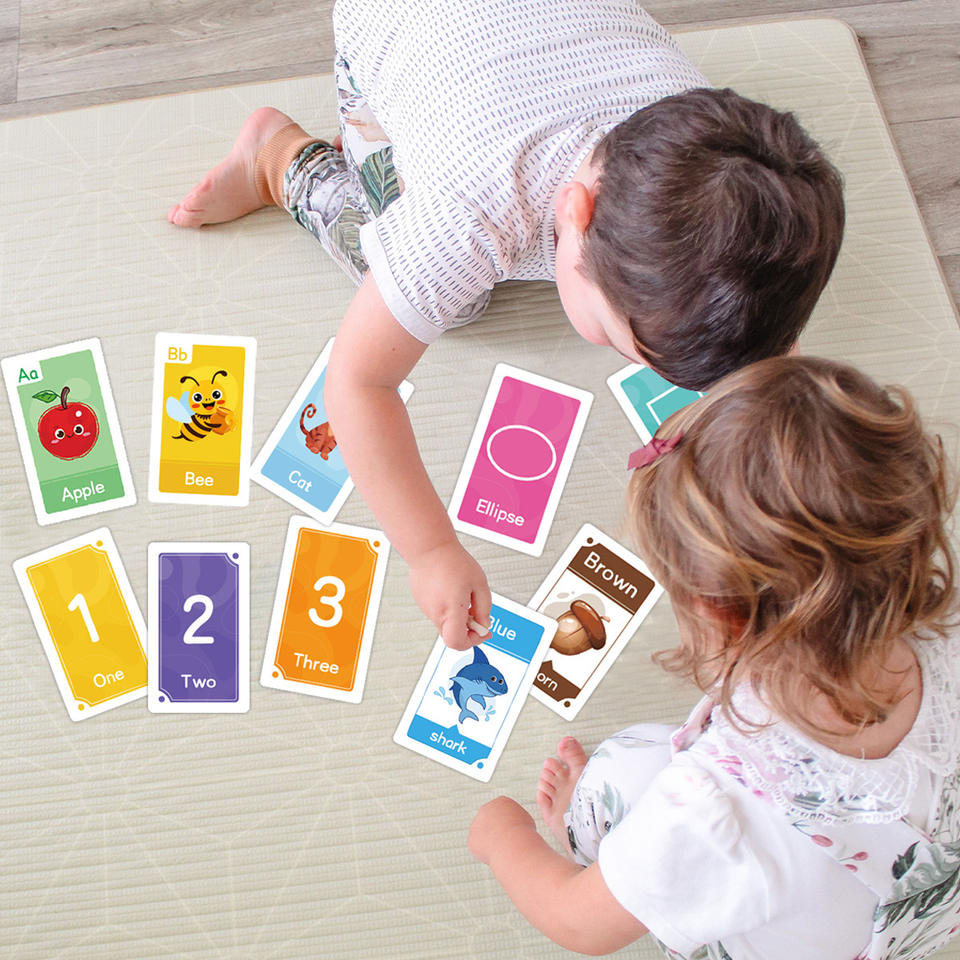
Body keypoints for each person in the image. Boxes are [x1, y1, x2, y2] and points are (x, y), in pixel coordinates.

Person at [168, 0, 845, 650]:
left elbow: (756, 304)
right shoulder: (471, 216)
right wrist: (431, 551)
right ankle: (278, 160)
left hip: (515, 46)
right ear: (575, 214)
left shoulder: (710, 133)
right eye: (618, 341)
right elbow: (357, 384)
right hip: (386, 31)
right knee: (453, 305)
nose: (639, 367)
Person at [469, 356, 960, 960]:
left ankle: (584, 829)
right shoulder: (944, 631)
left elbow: (576, 924)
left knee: (619, 771)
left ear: (721, 617)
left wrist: (503, 836)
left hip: (784, 933)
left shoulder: (714, 809)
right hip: (920, 908)